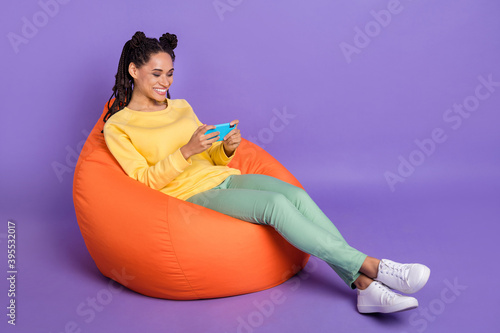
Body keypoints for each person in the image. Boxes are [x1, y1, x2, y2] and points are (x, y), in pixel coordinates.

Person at [102, 31, 430, 314]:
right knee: (275, 206)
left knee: (295, 195)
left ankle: (365, 288)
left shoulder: (182, 106)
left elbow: (211, 161)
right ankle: (373, 266)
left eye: (170, 74)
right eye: (157, 74)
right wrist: (186, 150)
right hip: (188, 197)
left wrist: (225, 147)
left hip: (220, 179)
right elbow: (143, 182)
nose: (165, 83)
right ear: (133, 70)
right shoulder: (119, 126)